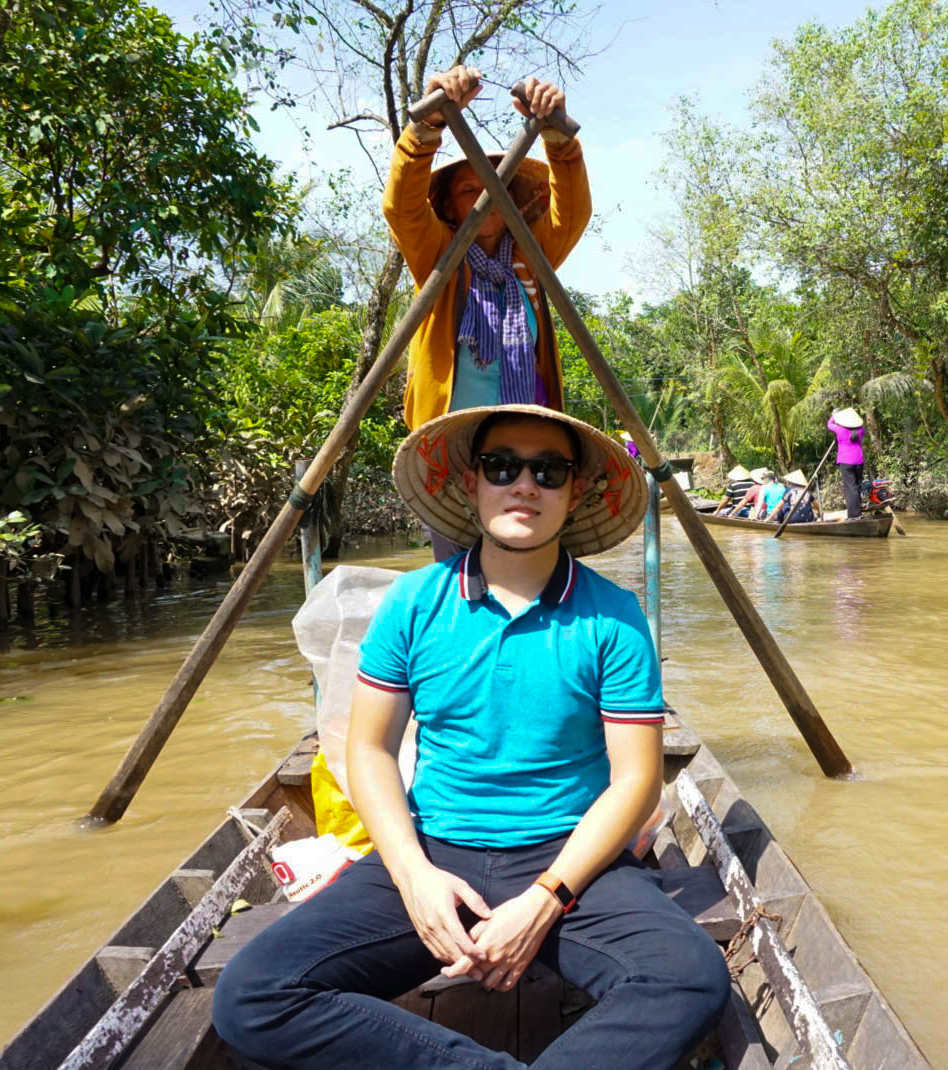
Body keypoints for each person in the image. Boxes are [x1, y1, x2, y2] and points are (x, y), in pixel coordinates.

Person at [212, 404, 731, 1070]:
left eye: (548, 470)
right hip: (433, 849)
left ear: (574, 493)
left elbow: (634, 781)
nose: (524, 484)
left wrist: (546, 898)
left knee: (686, 978)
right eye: (502, 466)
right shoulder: (413, 602)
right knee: (253, 997)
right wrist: (414, 877)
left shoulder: (613, 617)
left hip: (571, 861)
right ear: (471, 484)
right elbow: (366, 750)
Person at [383, 65, 592, 560]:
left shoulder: (532, 255)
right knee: (460, 564)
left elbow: (573, 213)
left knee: (527, 557)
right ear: (450, 208)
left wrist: (560, 140)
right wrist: (427, 127)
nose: (483, 199)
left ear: (511, 198)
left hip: (527, 442)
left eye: (494, 188)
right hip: (452, 444)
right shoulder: (438, 255)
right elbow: (402, 209)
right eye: (467, 191)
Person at [828, 407, 865, 520]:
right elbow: (860, 425)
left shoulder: (840, 430)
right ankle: (858, 511)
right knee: (857, 486)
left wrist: (835, 415)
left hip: (846, 461)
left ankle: (854, 515)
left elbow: (829, 424)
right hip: (859, 460)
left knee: (850, 488)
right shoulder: (861, 430)